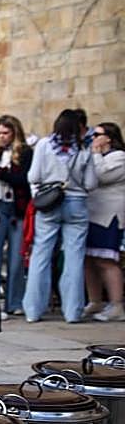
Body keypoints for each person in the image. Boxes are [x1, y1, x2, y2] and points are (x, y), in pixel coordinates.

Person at [23, 109, 98, 323]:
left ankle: (33, 310)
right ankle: (73, 311)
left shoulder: (44, 145)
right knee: (74, 257)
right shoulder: (84, 148)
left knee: (41, 254)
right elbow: (91, 183)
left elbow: (33, 176)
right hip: (76, 203)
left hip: (50, 202)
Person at [0, 115, 33, 316]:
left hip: (17, 207)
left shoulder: (25, 152)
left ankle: (15, 302)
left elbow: (24, 179)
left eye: (6, 132)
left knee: (16, 259)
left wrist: (0, 173)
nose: (2, 136)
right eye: (0, 132)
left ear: (14, 132)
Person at [84, 121, 125, 321]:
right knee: (89, 260)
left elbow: (100, 175)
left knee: (106, 260)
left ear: (109, 137)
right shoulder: (95, 155)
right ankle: (95, 300)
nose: (93, 138)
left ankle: (117, 304)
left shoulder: (119, 157)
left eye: (97, 135)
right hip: (91, 213)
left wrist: (95, 154)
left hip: (108, 216)